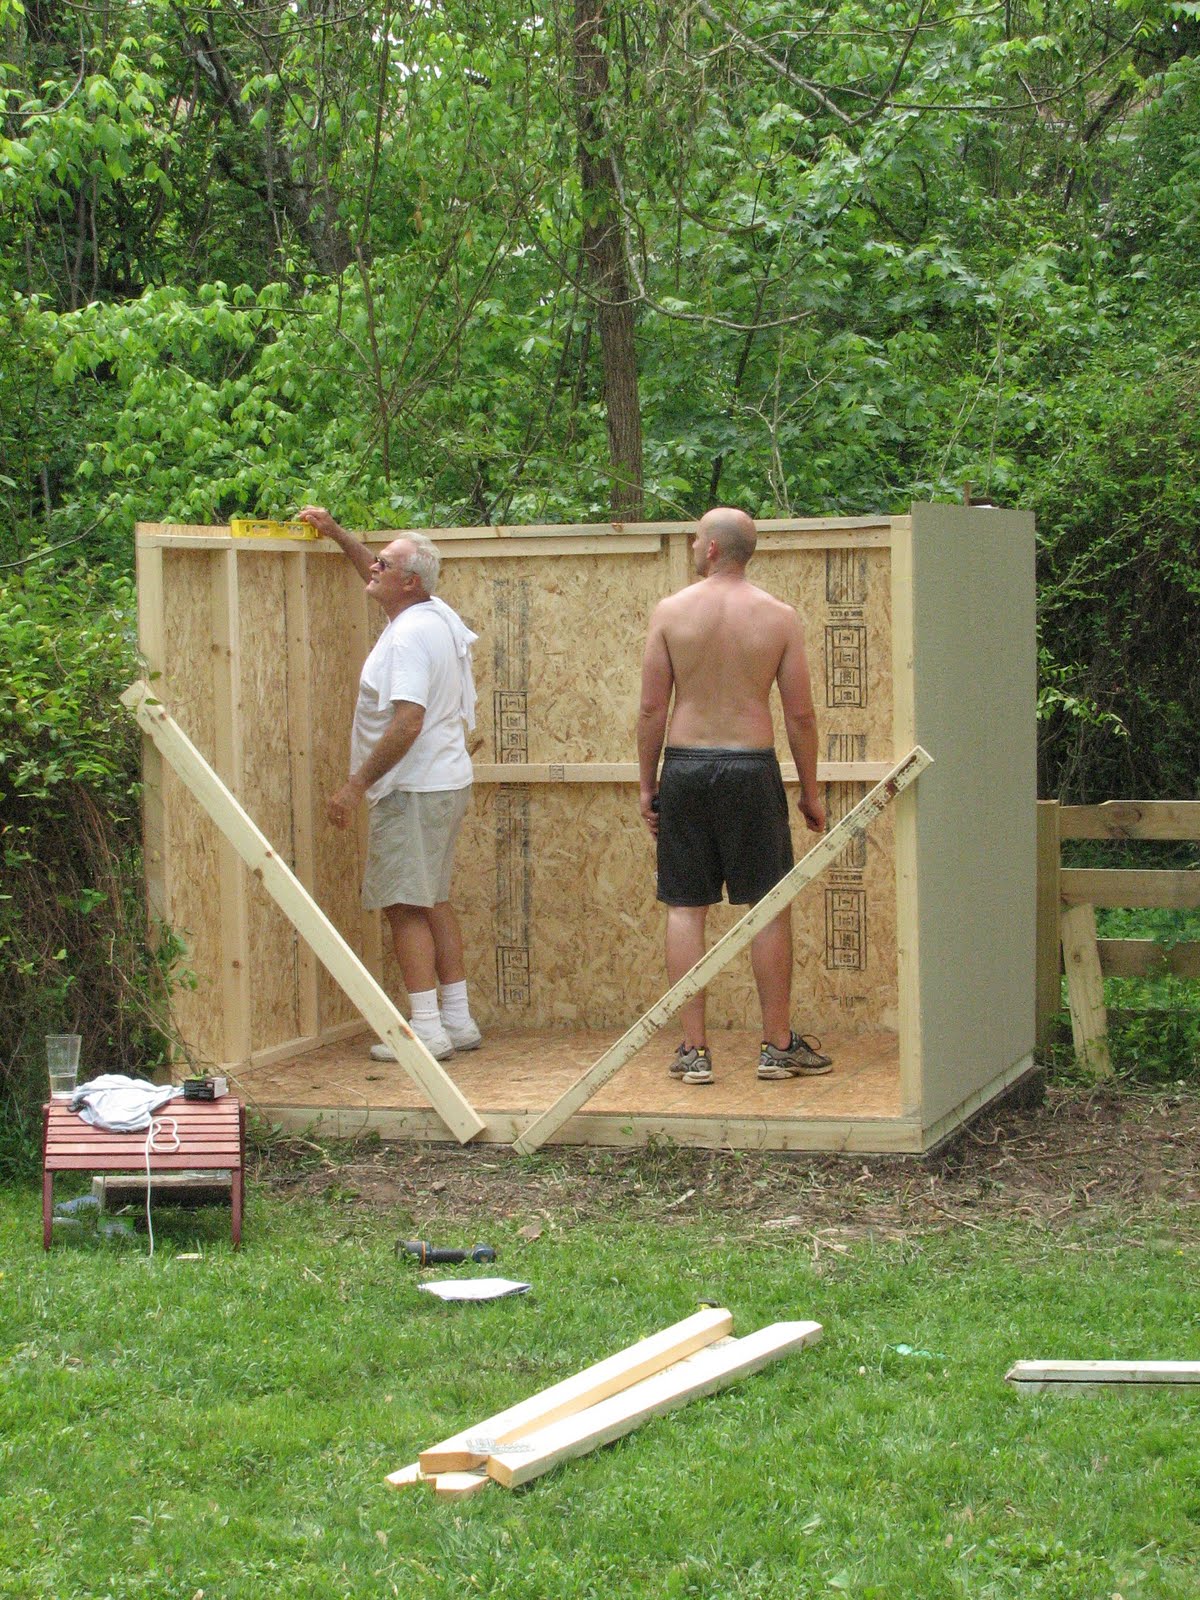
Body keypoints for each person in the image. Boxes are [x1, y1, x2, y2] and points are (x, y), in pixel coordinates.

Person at [637, 506, 831, 1086]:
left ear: (714, 549)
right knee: (767, 906)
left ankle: (694, 1052)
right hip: (751, 769)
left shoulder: (671, 612)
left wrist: (649, 784)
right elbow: (799, 713)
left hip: (688, 768)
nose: (692, 545)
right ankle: (776, 1046)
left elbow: (652, 708)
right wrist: (811, 792)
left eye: (697, 538)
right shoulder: (779, 617)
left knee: (685, 908)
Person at [298, 506, 482, 1063]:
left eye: (386, 563)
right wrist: (336, 535)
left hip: (413, 788)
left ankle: (424, 1031)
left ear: (410, 580)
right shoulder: (433, 614)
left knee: (404, 906)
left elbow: (407, 721)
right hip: (444, 781)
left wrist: (354, 787)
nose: (373, 566)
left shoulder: (406, 639)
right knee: (433, 900)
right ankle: (457, 1019)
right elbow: (374, 575)